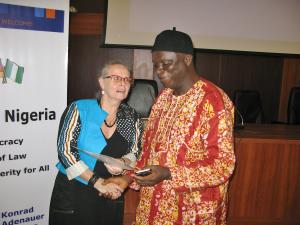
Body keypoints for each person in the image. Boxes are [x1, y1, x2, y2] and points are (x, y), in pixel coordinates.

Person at [105, 29, 236, 224]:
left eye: (166, 64)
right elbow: (149, 152)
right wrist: (129, 178)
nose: (159, 71)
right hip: (155, 209)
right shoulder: (163, 98)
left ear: (187, 60)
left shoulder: (213, 101)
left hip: (193, 213)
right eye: (156, 65)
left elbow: (222, 165)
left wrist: (168, 173)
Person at [49, 61, 143, 225]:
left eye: (127, 79)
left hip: (110, 192)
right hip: (74, 191)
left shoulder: (131, 116)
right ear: (101, 82)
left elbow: (135, 152)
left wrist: (123, 162)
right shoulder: (79, 108)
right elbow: (65, 152)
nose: (122, 83)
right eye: (115, 78)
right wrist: (97, 182)